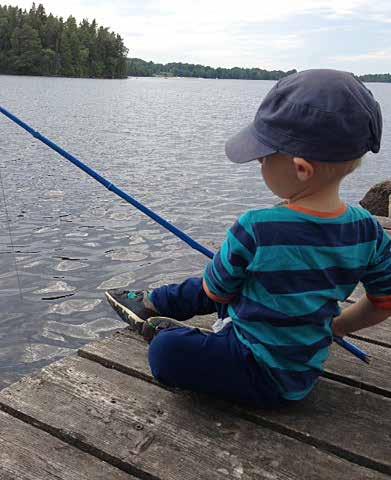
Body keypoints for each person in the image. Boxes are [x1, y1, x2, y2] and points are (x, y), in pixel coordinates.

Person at [105, 69, 391, 409]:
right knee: (242, 286)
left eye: (263, 158)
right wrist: (338, 326)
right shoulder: (368, 230)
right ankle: (158, 305)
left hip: (256, 370)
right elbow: (383, 301)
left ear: (301, 168)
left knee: (166, 351)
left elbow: (216, 291)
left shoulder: (258, 226)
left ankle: (160, 313)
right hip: (304, 374)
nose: (259, 165)